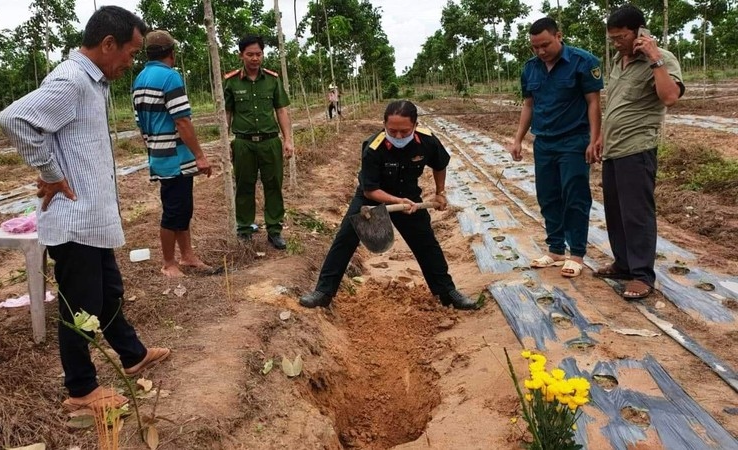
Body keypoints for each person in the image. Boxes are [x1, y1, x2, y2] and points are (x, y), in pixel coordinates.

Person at [0, 6, 169, 410]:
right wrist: (51, 172)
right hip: (74, 219)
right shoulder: (72, 80)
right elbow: (14, 119)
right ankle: (80, 390)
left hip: (91, 216)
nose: (131, 62)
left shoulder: (92, 82)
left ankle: (132, 355)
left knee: (108, 293)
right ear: (108, 44)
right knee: (80, 306)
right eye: (129, 53)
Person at [300, 100, 479, 310]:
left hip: (408, 196)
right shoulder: (373, 147)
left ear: (415, 125)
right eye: (392, 131)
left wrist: (440, 193)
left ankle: (447, 293)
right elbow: (370, 190)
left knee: (426, 243)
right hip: (371, 198)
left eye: (404, 131)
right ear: (384, 124)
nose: (399, 137)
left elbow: (440, 164)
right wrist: (396, 201)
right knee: (345, 239)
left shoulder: (427, 141)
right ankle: (323, 292)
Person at [595, 5, 684, 299]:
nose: (617, 44)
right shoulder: (619, 62)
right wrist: (599, 138)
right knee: (616, 212)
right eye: (613, 39)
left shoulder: (662, 60)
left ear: (638, 33)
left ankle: (643, 275)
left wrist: (654, 58)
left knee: (637, 215)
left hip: (637, 148)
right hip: (614, 148)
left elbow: (670, 97)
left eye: (621, 37)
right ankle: (623, 263)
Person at [509, 17, 603, 279]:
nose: (540, 51)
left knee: (574, 195)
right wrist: (518, 139)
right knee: (548, 195)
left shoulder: (583, 62)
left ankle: (576, 254)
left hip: (574, 140)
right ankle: (555, 249)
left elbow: (593, 102)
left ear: (559, 36)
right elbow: (529, 105)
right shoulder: (530, 69)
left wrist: (595, 138)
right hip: (544, 142)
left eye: (545, 45)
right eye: (535, 47)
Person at [132, 30, 214, 278]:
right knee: (174, 210)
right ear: (171, 53)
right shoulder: (170, 78)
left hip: (159, 154)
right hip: (175, 158)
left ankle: (187, 256)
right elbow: (182, 121)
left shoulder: (140, 79)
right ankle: (169, 262)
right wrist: (199, 155)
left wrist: (153, 147)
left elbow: (140, 122)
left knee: (182, 207)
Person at [224, 35, 294, 249]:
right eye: (250, 54)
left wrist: (288, 139)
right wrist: (225, 142)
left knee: (273, 185)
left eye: (259, 54)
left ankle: (274, 230)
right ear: (241, 55)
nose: (255, 58)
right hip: (243, 143)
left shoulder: (272, 80)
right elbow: (227, 112)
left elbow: (281, 110)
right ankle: (244, 229)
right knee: (244, 185)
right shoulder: (231, 81)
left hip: (270, 142)